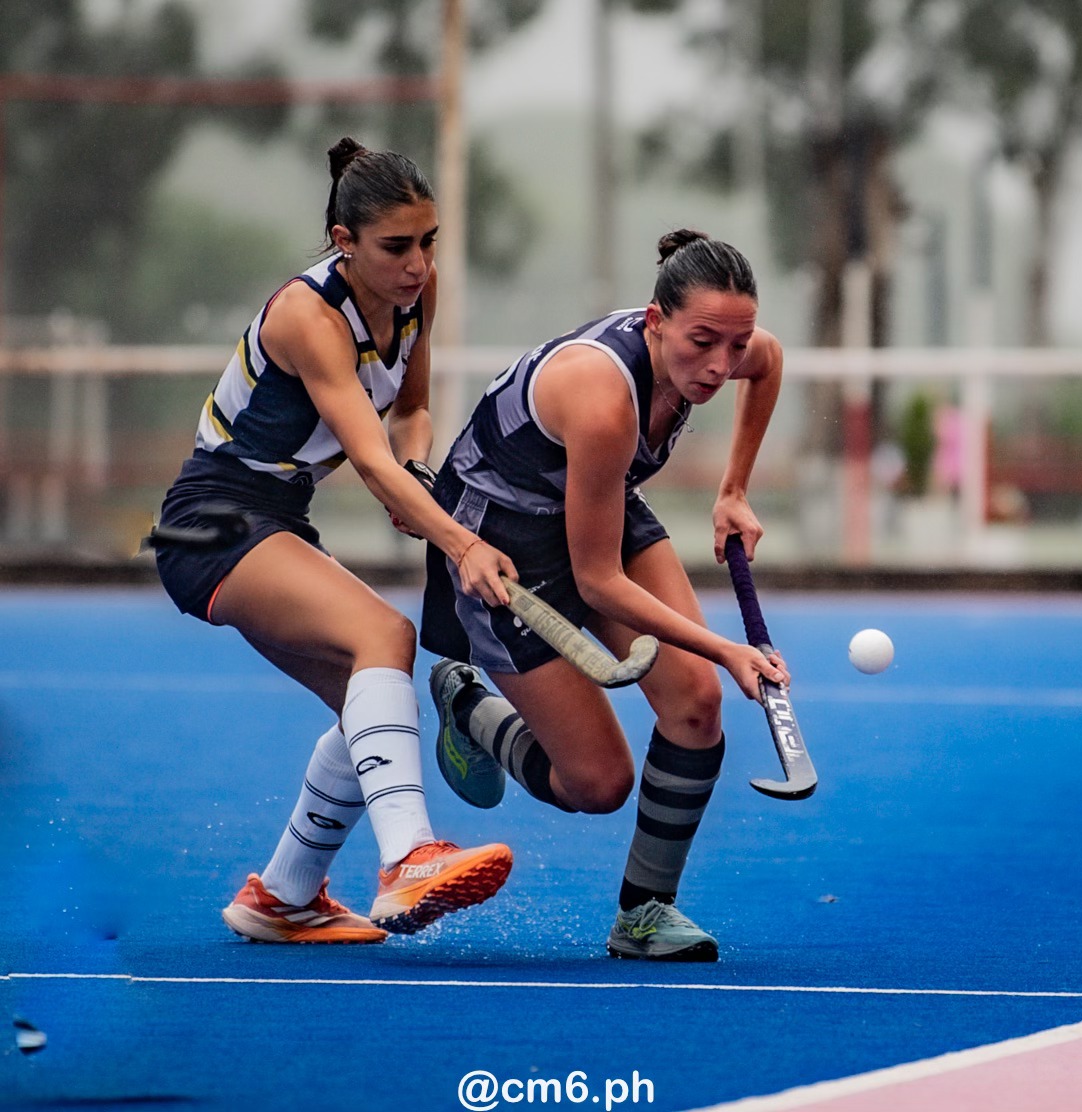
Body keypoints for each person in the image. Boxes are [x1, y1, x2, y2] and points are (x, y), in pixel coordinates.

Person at [153, 137, 517, 944]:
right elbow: (365, 455)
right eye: (396, 247)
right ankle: (409, 858)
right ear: (344, 242)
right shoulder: (308, 317)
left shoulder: (415, 296)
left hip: (277, 516)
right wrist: (460, 540)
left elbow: (407, 417)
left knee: (366, 705)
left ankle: (282, 896)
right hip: (212, 517)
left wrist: (415, 470)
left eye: (428, 242)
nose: (418, 263)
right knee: (384, 635)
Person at [421, 229, 789, 962]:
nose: (719, 365)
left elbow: (768, 363)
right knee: (597, 784)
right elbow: (598, 585)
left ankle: (644, 914)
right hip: (500, 542)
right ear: (656, 323)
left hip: (595, 501)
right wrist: (724, 648)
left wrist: (734, 490)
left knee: (696, 704)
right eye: (701, 342)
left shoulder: (730, 351)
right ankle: (466, 704)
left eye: (732, 343)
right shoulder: (602, 401)